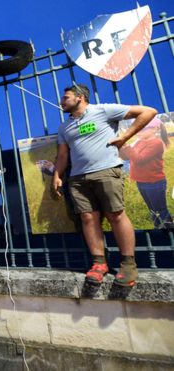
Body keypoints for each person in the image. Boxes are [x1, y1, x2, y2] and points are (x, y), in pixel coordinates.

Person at [52, 83, 157, 287]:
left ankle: (128, 264)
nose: (61, 101)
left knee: (116, 215)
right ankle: (99, 264)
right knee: (87, 218)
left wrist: (125, 136)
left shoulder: (102, 110)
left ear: (80, 97)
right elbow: (63, 155)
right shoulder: (64, 127)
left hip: (107, 170)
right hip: (77, 178)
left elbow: (148, 112)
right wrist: (57, 175)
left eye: (66, 97)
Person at [119, 117, 173, 229]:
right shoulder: (139, 142)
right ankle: (158, 227)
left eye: (143, 129)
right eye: (138, 129)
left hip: (154, 183)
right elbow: (126, 157)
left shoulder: (156, 143)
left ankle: (169, 229)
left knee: (160, 209)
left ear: (155, 129)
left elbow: (139, 160)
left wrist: (128, 147)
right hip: (141, 182)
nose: (138, 131)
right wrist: (121, 147)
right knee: (152, 209)